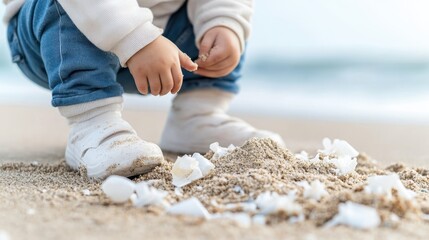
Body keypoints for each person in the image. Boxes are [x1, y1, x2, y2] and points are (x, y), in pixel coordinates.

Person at [3, 0, 285, 179]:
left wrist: (224, 20)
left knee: (223, 28)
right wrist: (135, 38)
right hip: (51, 36)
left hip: (161, 36)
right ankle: (92, 123)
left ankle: (197, 117)